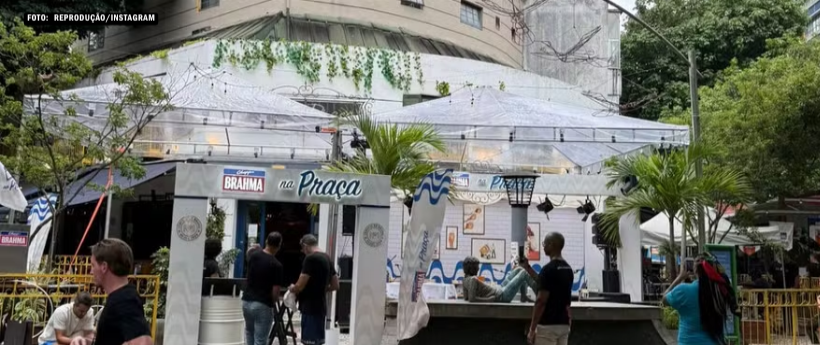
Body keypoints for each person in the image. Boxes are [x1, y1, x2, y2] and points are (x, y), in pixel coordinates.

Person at [85, 238, 152, 345]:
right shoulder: (122, 297)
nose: (91, 271)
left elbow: (143, 342)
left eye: (93, 265)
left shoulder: (124, 300)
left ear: (104, 267)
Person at [662, 253, 732, 345]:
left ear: (695, 270)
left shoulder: (683, 290)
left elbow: (664, 300)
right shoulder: (719, 292)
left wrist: (680, 277)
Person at [288, 234, 339, 345]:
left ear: (306, 246)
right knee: (318, 342)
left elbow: (300, 286)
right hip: (321, 307)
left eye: (302, 248)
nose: (302, 251)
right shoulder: (327, 258)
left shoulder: (310, 259)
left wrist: (292, 288)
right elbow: (335, 285)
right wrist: (322, 289)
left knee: (309, 342)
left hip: (309, 307)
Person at [528, 232, 573, 345]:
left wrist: (532, 329)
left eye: (545, 243)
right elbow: (545, 283)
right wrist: (527, 268)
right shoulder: (568, 269)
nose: (543, 246)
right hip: (564, 325)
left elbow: (541, 301)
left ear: (551, 245)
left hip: (548, 326)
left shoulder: (548, 270)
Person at [242, 232, 285, 345]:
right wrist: (273, 302)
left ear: (266, 241)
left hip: (246, 302)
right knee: (260, 340)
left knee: (249, 333)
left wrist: (253, 248)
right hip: (262, 304)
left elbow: (248, 254)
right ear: (279, 245)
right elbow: (275, 293)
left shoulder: (254, 256)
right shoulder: (276, 265)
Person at [462, 256, 538, 303]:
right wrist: (489, 300)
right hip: (502, 296)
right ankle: (539, 296)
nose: (478, 268)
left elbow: (466, 297)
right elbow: (471, 299)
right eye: (476, 266)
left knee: (519, 269)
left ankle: (523, 296)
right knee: (523, 273)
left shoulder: (465, 279)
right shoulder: (473, 279)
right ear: (471, 268)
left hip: (500, 289)